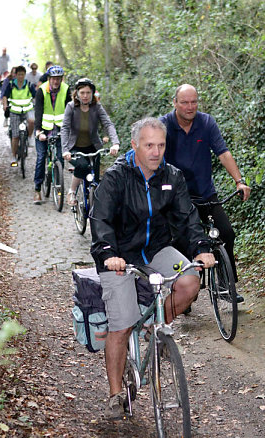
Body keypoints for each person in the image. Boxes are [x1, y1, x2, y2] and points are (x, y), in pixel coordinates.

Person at [90, 117, 214, 419]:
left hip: (157, 248)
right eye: (149, 145)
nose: (156, 152)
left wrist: (201, 248)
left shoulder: (172, 176)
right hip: (119, 255)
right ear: (135, 146)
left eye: (160, 145)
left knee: (189, 280)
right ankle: (115, 394)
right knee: (121, 325)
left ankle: (154, 328)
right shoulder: (117, 177)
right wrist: (108, 253)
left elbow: (187, 217)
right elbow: (101, 219)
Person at [159, 84, 251, 302]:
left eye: (194, 102)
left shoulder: (206, 122)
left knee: (226, 232)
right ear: (175, 103)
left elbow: (223, 152)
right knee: (180, 240)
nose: (190, 107)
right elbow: (156, 158)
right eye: (185, 102)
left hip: (205, 191)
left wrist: (239, 181)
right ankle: (183, 290)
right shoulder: (164, 125)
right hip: (177, 195)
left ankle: (225, 285)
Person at [61, 78, 120, 206]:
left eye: (88, 92)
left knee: (95, 180)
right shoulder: (71, 107)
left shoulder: (97, 107)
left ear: (92, 93)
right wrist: (65, 150)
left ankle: (92, 204)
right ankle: (71, 191)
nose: (85, 96)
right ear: (76, 93)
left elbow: (108, 124)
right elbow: (65, 128)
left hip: (93, 147)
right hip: (74, 148)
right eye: (82, 92)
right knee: (82, 166)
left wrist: (115, 143)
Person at [33, 65, 71, 204]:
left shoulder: (66, 89)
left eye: (58, 79)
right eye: (53, 79)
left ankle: (59, 188)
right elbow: (38, 111)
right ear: (49, 79)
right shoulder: (42, 90)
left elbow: (69, 110)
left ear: (61, 79)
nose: (56, 81)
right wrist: (38, 131)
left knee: (60, 159)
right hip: (43, 129)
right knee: (41, 158)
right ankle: (37, 189)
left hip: (60, 129)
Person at [2, 65, 36, 167]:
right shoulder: (11, 85)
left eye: (22, 74)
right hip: (15, 111)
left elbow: (35, 96)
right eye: (19, 74)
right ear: (16, 75)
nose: (21, 76)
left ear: (25, 75)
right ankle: (13, 157)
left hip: (27, 109)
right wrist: (5, 105)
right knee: (15, 136)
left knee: (31, 121)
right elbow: (5, 96)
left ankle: (30, 137)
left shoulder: (29, 84)